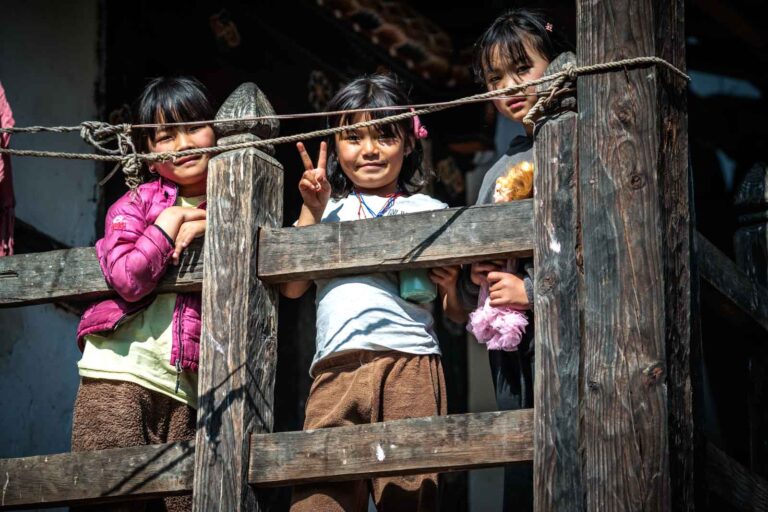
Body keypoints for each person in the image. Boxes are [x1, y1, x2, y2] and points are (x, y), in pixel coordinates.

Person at [282, 74, 460, 512]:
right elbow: (291, 286)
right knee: (319, 498)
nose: (369, 150)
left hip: (411, 366)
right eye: (353, 137)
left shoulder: (431, 211)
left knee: (409, 494)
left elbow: (456, 313)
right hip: (335, 367)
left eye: (385, 135)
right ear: (336, 147)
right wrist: (311, 208)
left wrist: (452, 284)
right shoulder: (328, 211)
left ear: (410, 143)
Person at [71, 76, 215, 512]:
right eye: (165, 135)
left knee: (183, 503)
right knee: (110, 495)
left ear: (217, 132)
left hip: (189, 387)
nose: (183, 143)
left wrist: (211, 224)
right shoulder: (135, 205)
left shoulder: (237, 202)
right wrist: (171, 219)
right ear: (150, 155)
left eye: (193, 127)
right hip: (118, 373)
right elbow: (129, 277)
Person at [457, 9, 573, 511]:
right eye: (495, 79)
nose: (510, 86)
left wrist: (537, 292)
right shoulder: (498, 171)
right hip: (511, 345)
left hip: (571, 332)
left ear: (558, 62)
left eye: (523, 67)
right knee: (522, 464)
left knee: (572, 450)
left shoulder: (590, 142)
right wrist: (476, 272)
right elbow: (472, 268)